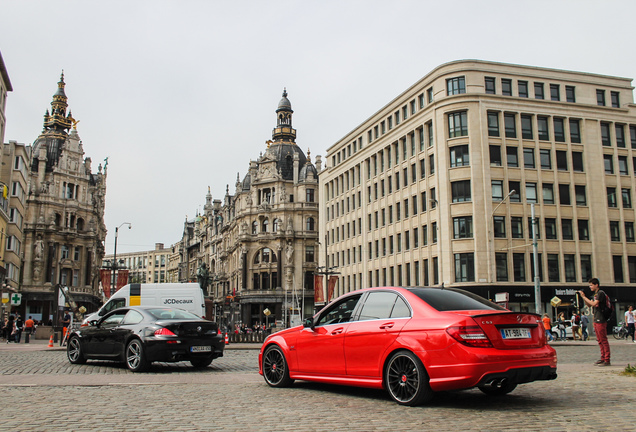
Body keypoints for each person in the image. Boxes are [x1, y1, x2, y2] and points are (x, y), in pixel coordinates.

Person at [579, 278, 611, 366]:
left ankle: (607, 359)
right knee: (599, 340)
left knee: (603, 339)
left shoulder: (600, 293)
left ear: (596, 285)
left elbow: (593, 304)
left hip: (601, 319)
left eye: (591, 285)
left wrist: (584, 297)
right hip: (596, 318)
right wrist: (583, 297)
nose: (590, 287)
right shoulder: (595, 294)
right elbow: (589, 304)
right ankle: (602, 357)